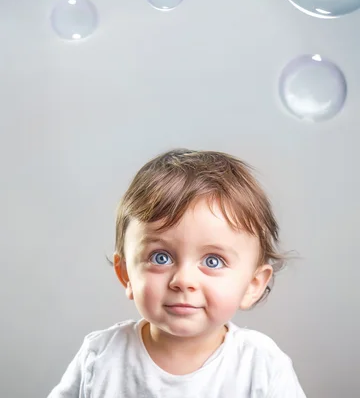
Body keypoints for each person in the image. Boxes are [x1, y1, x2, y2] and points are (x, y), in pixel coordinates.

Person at [48, 149, 306, 397]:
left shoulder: (262, 367)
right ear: (126, 273)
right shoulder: (100, 356)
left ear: (252, 284)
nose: (183, 281)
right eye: (161, 257)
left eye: (213, 261)